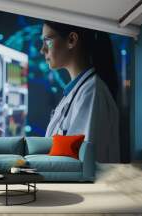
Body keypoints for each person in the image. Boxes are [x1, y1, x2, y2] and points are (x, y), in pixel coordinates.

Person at [40, 21, 120, 163]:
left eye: (48, 41)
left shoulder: (91, 92)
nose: (42, 50)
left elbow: (82, 162)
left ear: (71, 40)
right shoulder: (76, 91)